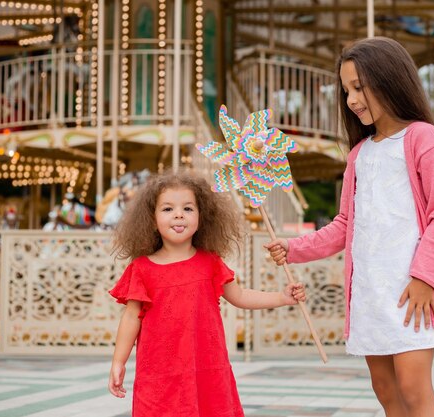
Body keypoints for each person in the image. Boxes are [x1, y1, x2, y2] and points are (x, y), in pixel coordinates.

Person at [265, 37, 434, 417]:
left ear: (389, 80)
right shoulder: (359, 154)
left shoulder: (423, 138)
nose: (352, 99)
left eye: (359, 87)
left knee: (413, 387)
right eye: (346, 90)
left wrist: (424, 278)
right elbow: (344, 225)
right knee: (385, 389)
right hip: (371, 291)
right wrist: (294, 248)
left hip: (411, 291)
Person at [107, 172, 306, 417]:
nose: (179, 214)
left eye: (188, 208)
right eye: (168, 209)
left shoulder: (210, 262)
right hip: (160, 374)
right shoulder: (141, 269)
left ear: (202, 217)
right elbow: (131, 318)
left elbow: (240, 296)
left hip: (207, 369)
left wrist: (281, 297)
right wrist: (118, 361)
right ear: (152, 219)